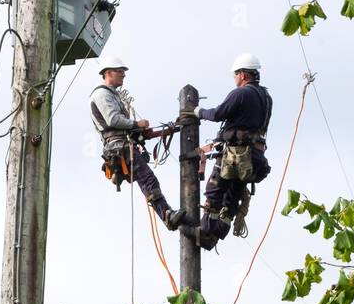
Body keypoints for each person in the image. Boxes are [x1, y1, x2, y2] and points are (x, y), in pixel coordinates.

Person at [90, 56, 186, 229]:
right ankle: (167, 215)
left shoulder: (113, 95)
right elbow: (112, 120)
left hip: (124, 145)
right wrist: (137, 124)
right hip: (119, 147)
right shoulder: (102, 94)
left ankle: (167, 215)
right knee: (148, 180)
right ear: (107, 73)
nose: (123, 75)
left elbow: (120, 125)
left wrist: (141, 132)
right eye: (120, 71)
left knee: (147, 180)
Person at [192, 52, 273, 249]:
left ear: (243, 74)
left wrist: (199, 112)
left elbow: (219, 114)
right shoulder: (266, 97)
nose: (235, 78)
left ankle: (205, 232)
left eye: (236, 74)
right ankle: (217, 234)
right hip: (254, 158)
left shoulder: (241, 93)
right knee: (232, 196)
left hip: (235, 155)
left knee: (215, 191)